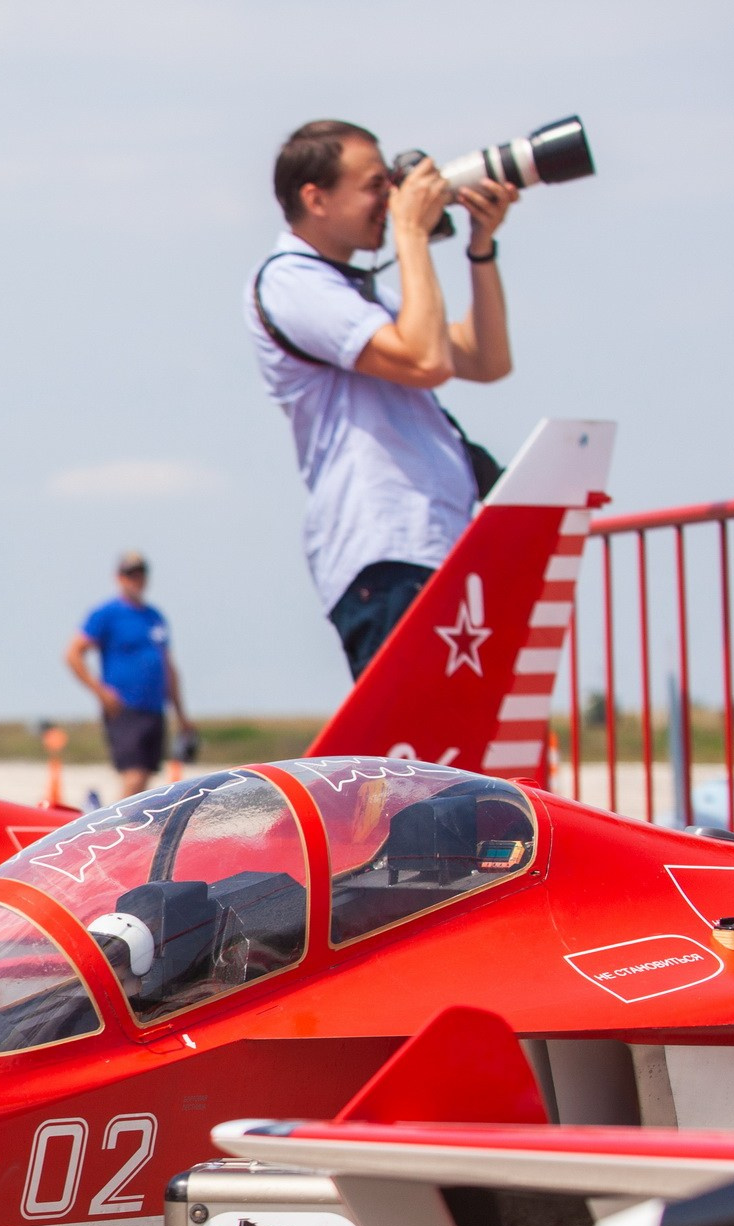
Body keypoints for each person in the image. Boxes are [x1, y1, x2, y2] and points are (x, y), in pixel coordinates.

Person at [250, 119, 518, 678]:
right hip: (387, 548)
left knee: (451, 759)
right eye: (376, 185)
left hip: (432, 543)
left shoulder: (352, 288)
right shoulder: (291, 282)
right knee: (405, 761)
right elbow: (425, 361)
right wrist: (411, 234)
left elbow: (486, 359)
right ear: (315, 198)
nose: (391, 199)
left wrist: (481, 248)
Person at [66, 551, 195, 799]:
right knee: (133, 774)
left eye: (140, 574)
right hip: (125, 706)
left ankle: (132, 824)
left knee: (146, 775)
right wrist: (101, 692)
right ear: (119, 578)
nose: (135, 580)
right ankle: (119, 826)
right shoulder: (106, 614)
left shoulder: (154, 617)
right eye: (130, 574)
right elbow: (73, 654)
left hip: (154, 707)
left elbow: (168, 667)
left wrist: (181, 715)